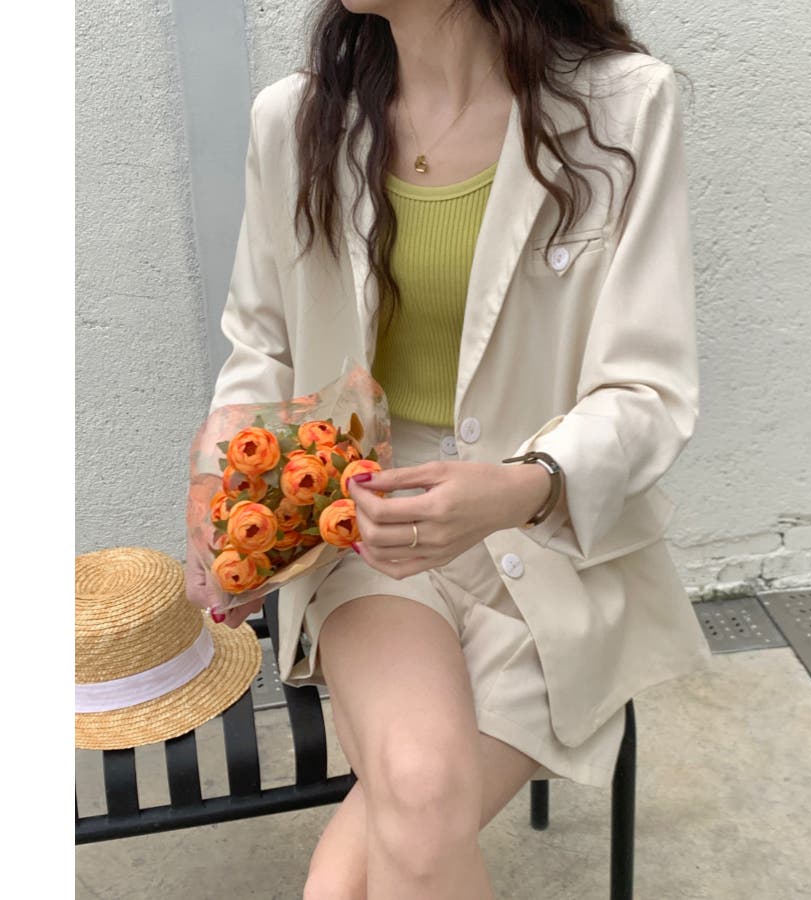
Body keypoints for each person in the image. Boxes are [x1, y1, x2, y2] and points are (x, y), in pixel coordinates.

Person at [186, 1, 714, 897]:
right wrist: (219, 494)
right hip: (365, 526)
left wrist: (523, 484)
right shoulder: (299, 120)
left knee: (347, 878)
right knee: (422, 789)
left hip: (555, 534)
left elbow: (648, 389)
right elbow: (262, 347)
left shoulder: (622, 107)